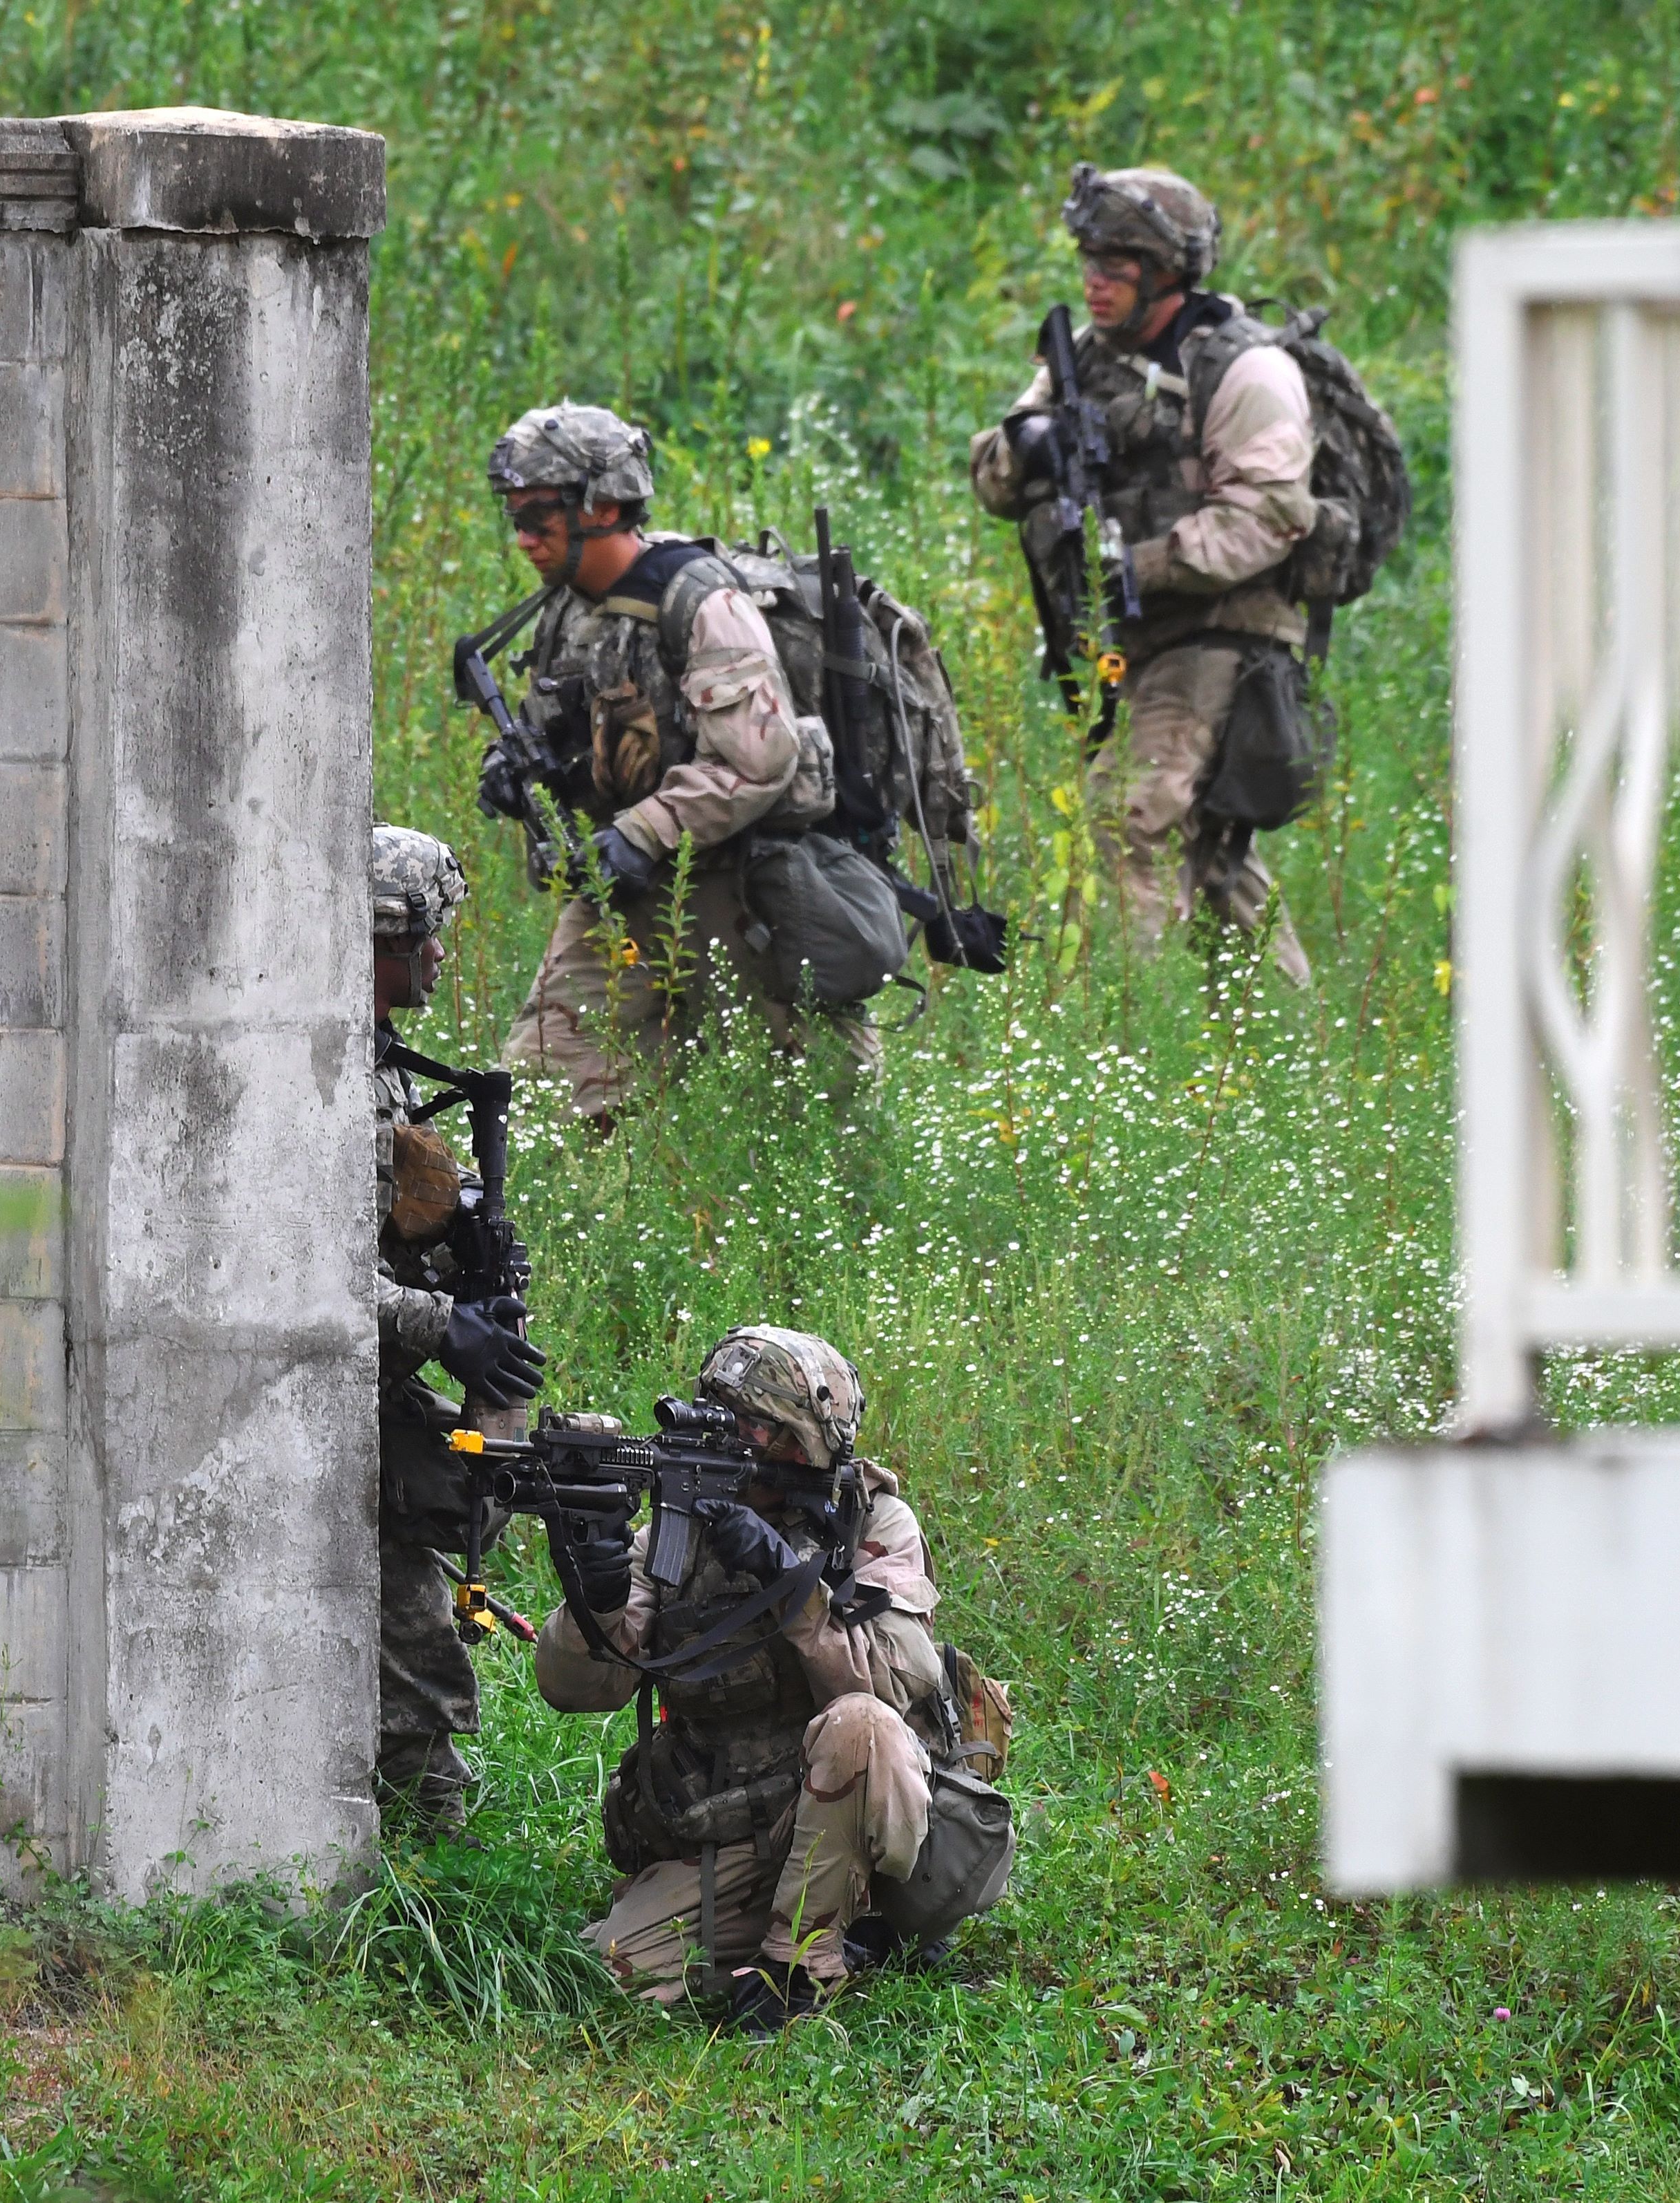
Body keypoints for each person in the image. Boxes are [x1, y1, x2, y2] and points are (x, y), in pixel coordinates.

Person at [533, 1326, 978, 2029]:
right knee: (607, 1973)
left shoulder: (872, 1521)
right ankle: (828, 1927)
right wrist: (598, 1595)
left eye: (754, 1429)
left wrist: (791, 1584)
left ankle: (804, 1964)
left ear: (805, 1443)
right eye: (719, 1416)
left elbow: (894, 1681)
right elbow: (579, 1689)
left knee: (863, 1725)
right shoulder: (681, 1530)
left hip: (857, 1813)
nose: (733, 1442)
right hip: (742, 1817)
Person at [475, 403, 880, 1125]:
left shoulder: (700, 603)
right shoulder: (568, 608)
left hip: (740, 885)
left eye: (539, 516)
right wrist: (510, 769)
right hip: (627, 890)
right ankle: (567, 1228)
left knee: (821, 1113)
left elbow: (761, 760)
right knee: (543, 1088)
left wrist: (641, 831)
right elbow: (558, 722)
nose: (525, 539)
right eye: (515, 519)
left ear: (601, 506)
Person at [969, 164, 1317, 986]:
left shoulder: (1245, 371)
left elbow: (1271, 515)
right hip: (1130, 637)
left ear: (1166, 269)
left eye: (1115, 264)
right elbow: (990, 480)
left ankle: (1136, 1034)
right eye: (1087, 260)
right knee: (1211, 846)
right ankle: (1288, 1042)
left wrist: (1139, 563)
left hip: (1223, 631)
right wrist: (1025, 448)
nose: (1094, 280)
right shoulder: (1083, 361)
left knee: (1129, 813)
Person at [368, 824, 545, 1832]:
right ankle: (422, 1843)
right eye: (425, 934)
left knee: (479, 1490)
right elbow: (297, 1283)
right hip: (332, 1394)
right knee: (415, 1628)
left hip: (381, 1379)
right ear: (378, 941)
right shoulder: (331, 1078)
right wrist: (443, 1323)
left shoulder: (384, 1064)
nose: (439, 953)